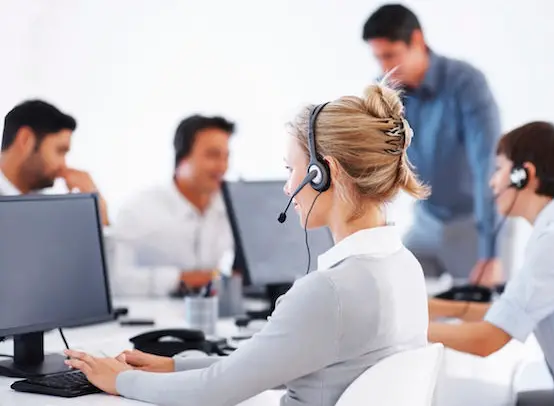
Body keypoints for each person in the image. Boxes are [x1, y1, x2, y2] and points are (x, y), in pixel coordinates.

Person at [64, 82, 430, 405]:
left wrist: (120, 380)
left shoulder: (327, 292)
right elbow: (275, 361)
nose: (288, 188)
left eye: (291, 169)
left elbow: (212, 392)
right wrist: (174, 365)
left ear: (323, 174)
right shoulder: (405, 268)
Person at [427, 122, 554, 405]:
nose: (492, 182)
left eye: (499, 168)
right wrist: (434, 308)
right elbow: (508, 310)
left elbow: (486, 340)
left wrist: (405, 329)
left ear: (524, 174)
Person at [363, 4, 505, 286]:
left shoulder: (466, 84)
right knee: (395, 290)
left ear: (417, 40)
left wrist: (491, 252)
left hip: (474, 224)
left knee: (477, 314)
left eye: (391, 56)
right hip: (427, 221)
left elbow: (486, 167)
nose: (384, 68)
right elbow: (375, 165)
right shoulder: (386, 90)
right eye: (378, 58)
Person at [110, 115, 235, 297]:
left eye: (226, 157)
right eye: (213, 155)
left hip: (217, 316)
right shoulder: (139, 210)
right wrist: (179, 279)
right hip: (155, 318)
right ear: (182, 158)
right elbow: (117, 280)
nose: (223, 167)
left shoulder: (229, 208)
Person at [0, 99, 109, 225]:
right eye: (60, 151)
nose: (63, 165)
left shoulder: (48, 213)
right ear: (26, 140)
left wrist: (97, 212)